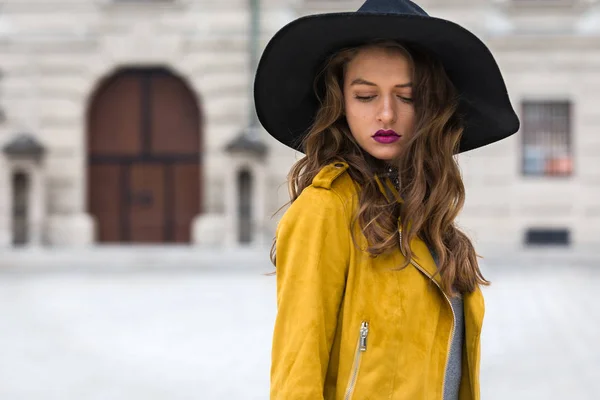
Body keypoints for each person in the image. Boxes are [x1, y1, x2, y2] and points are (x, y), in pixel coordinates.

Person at [253, 0, 520, 399]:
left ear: (432, 105)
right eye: (365, 96)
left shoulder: (427, 218)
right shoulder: (326, 209)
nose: (386, 114)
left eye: (407, 96)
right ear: (340, 103)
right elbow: (297, 372)